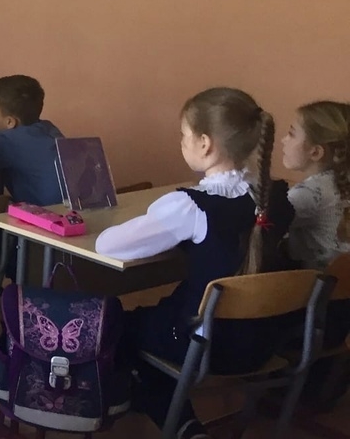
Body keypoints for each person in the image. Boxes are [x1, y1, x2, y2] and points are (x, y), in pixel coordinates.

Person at [96, 88, 294, 439]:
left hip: (206, 345)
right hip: (265, 341)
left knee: (119, 326)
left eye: (183, 134)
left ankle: (179, 423)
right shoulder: (277, 197)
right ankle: (170, 413)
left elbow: (107, 245)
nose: (181, 142)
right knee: (156, 318)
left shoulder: (191, 206)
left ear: (204, 143)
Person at [280, 100, 350, 270]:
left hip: (318, 283)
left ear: (315, 152)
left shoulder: (310, 193)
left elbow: (261, 223)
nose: (283, 140)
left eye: (291, 134)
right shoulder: (340, 182)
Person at [0, 74, 66, 206]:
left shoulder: (6, 142)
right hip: (77, 212)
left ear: (10, 122)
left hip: (46, 215)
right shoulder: (49, 128)